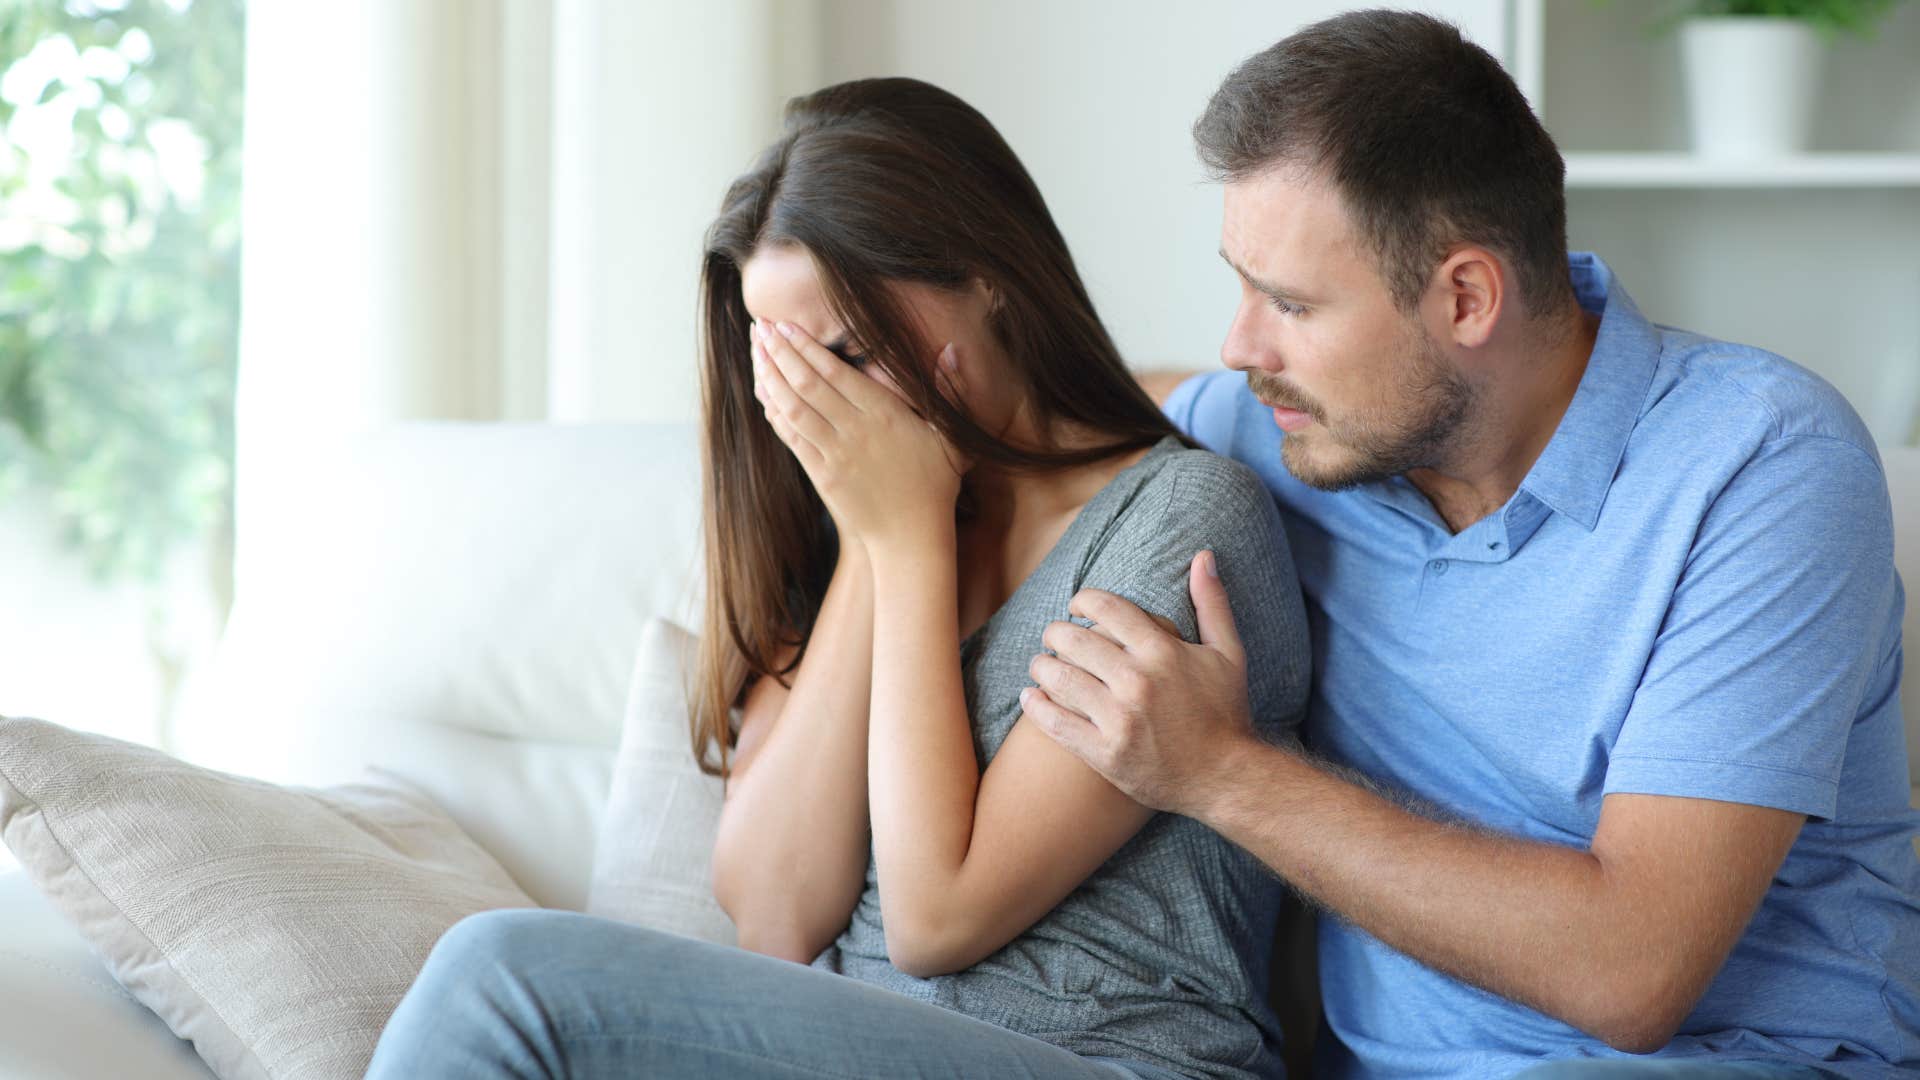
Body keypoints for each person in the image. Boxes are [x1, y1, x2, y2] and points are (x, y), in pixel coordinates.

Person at [1021, 10, 1920, 1080]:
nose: (1241, 345)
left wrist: (1222, 772)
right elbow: (1076, 412)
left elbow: (1631, 972)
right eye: (1242, 284)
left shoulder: (1762, 466)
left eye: (1291, 303)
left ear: (1466, 297)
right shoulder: (1289, 431)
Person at [364, 77, 1311, 1080]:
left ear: (987, 275)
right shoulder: (855, 529)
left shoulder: (1180, 521)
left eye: (852, 352)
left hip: (1107, 1060)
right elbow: (776, 916)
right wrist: (876, 537)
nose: (835, 412)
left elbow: (937, 918)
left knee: (501, 975)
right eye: (796, 377)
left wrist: (905, 543)